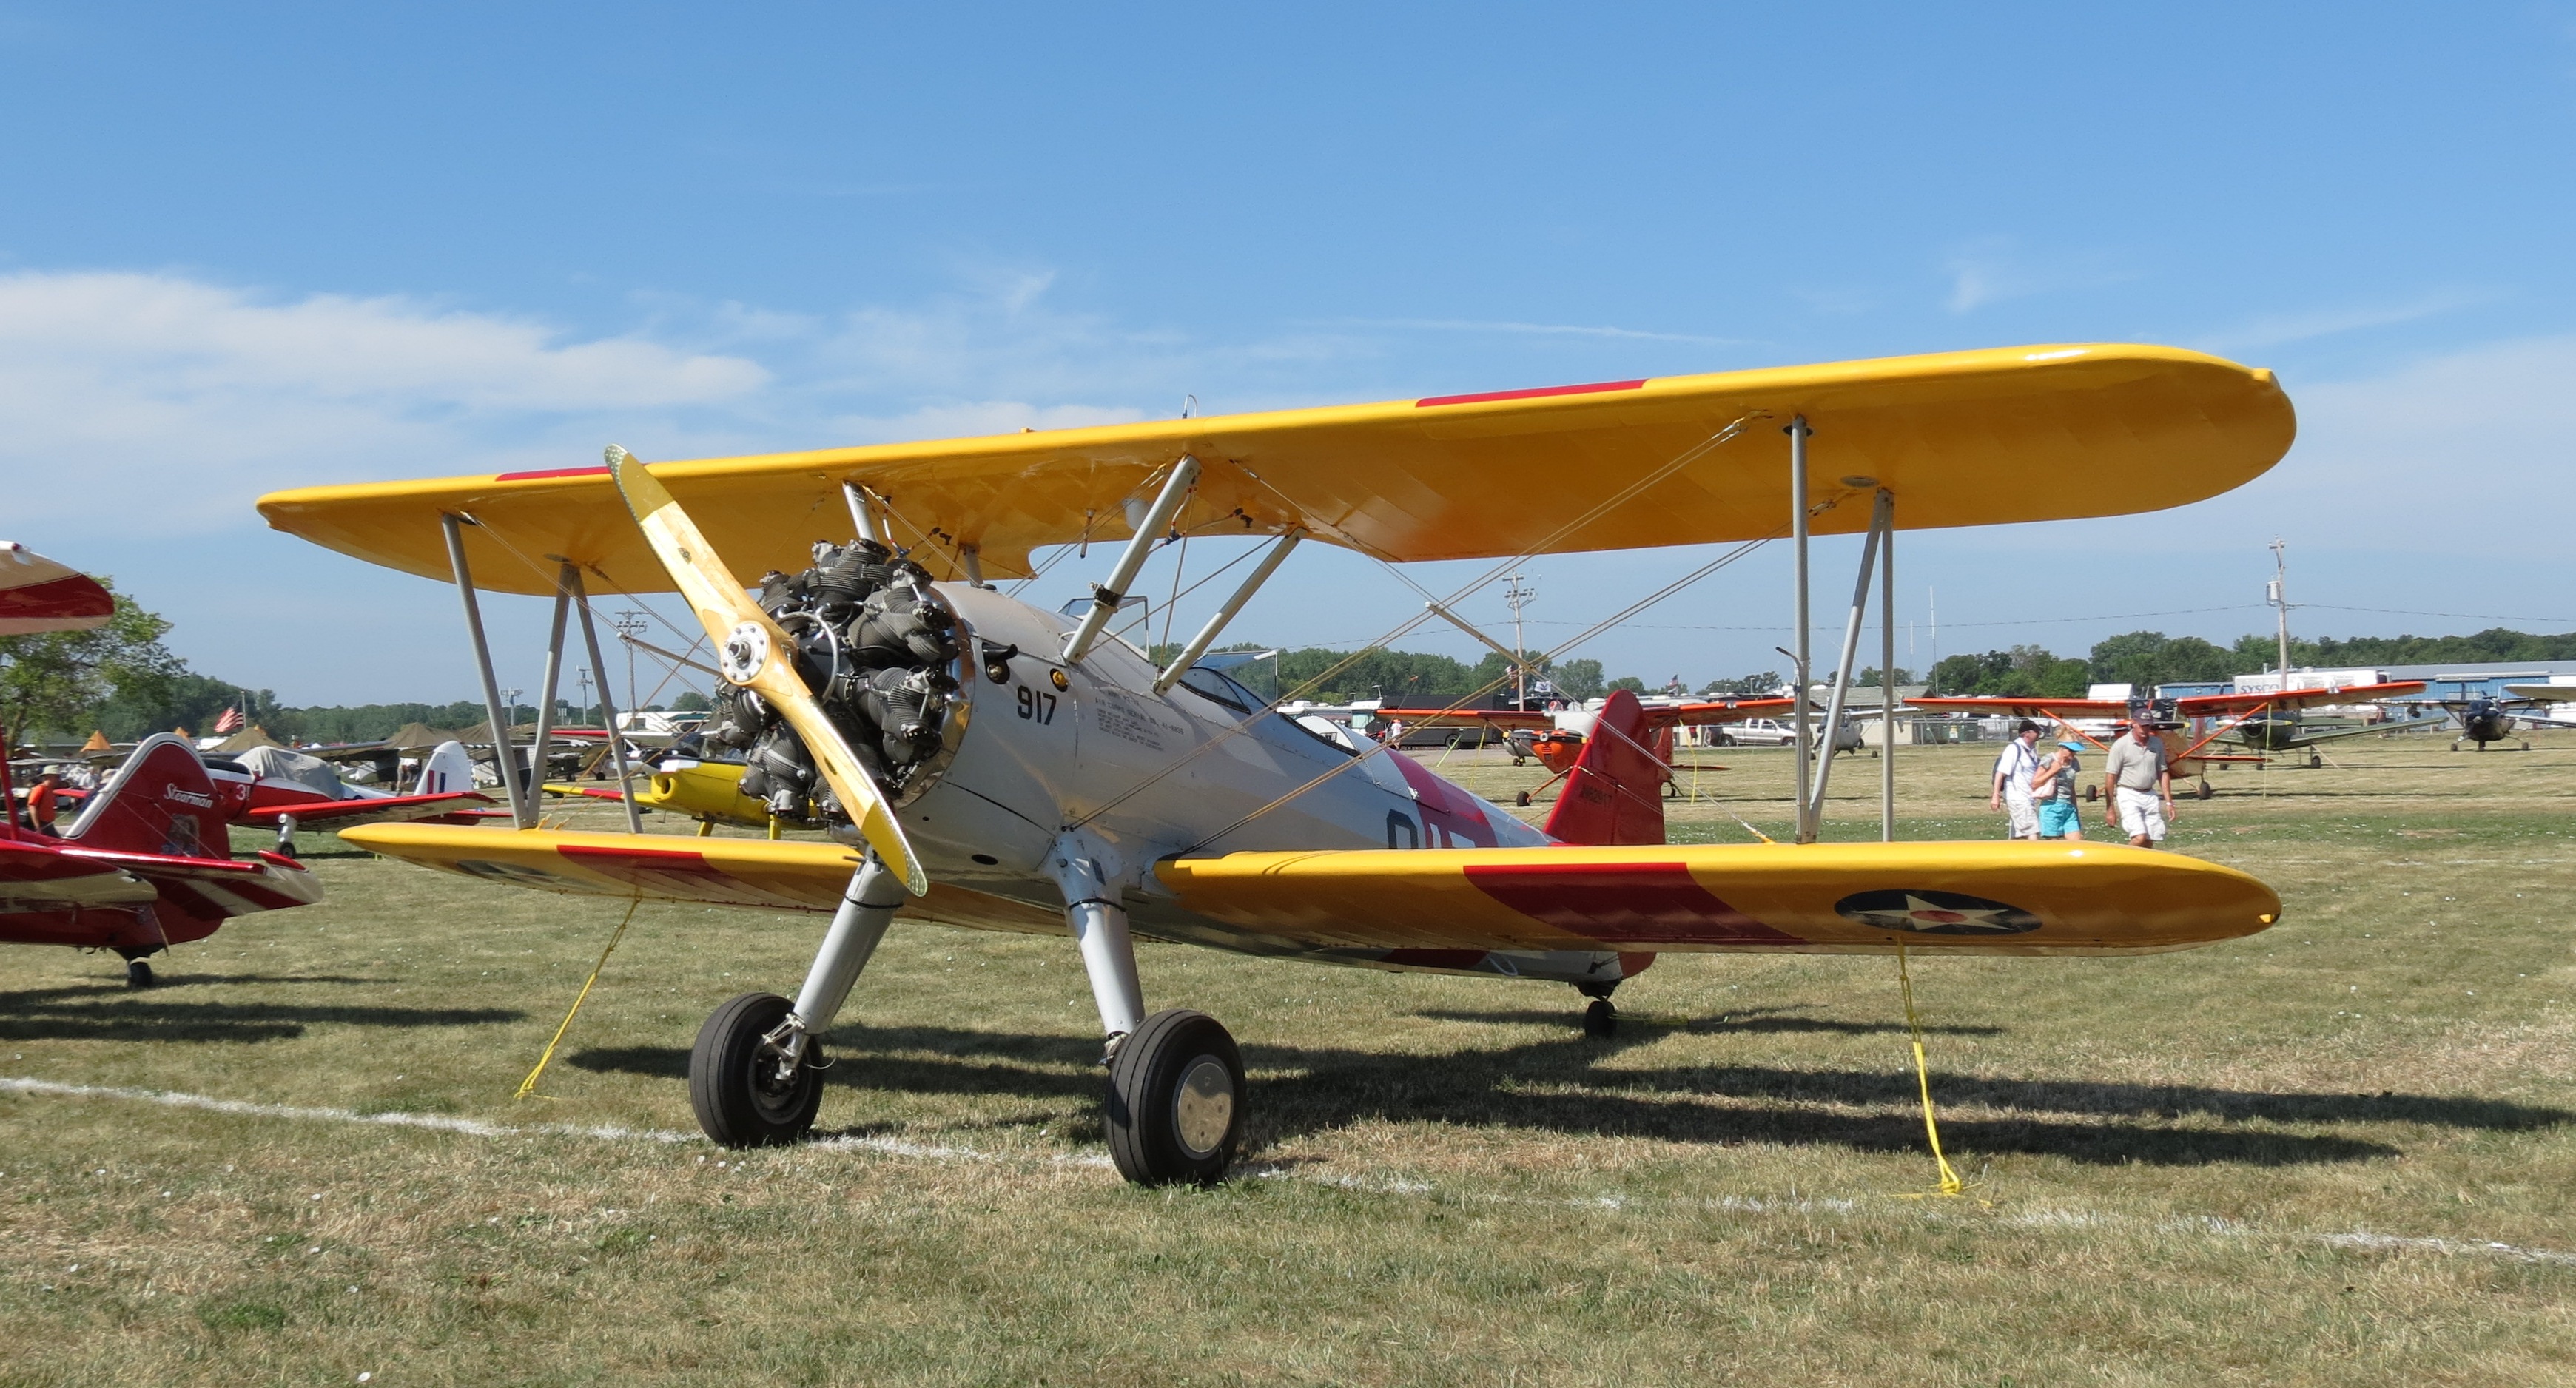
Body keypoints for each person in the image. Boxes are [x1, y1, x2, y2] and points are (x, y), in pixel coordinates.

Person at [2103, 717, 2175, 847]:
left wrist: (2169, 802)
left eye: (2148, 726)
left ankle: (2140, 867)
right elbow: (2110, 776)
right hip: (2128, 793)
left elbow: (2163, 772)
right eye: (2142, 725)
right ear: (2134, 724)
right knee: (2139, 837)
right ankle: (2118, 865)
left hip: (2149, 793)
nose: (2145, 729)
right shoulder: (2121, 745)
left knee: (2150, 839)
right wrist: (2110, 809)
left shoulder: (2157, 743)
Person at [1989, 720, 2042, 840]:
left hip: (2028, 798)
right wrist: (1996, 795)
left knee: (2019, 836)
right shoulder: (2014, 749)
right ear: (2027, 733)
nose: (2039, 734)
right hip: (2018, 798)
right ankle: (2033, 858)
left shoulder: (2031, 751)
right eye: (2036, 732)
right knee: (2032, 832)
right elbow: (2000, 773)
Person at [2030, 740, 2085, 840]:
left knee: (2078, 846)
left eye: (2075, 751)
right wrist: (2053, 771)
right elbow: (2034, 784)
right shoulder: (2049, 759)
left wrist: (2075, 809)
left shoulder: (2074, 762)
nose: (2074, 754)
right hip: (2051, 807)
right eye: (2071, 750)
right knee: (2055, 847)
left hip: (2069, 808)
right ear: (2062, 748)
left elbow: (2071, 787)